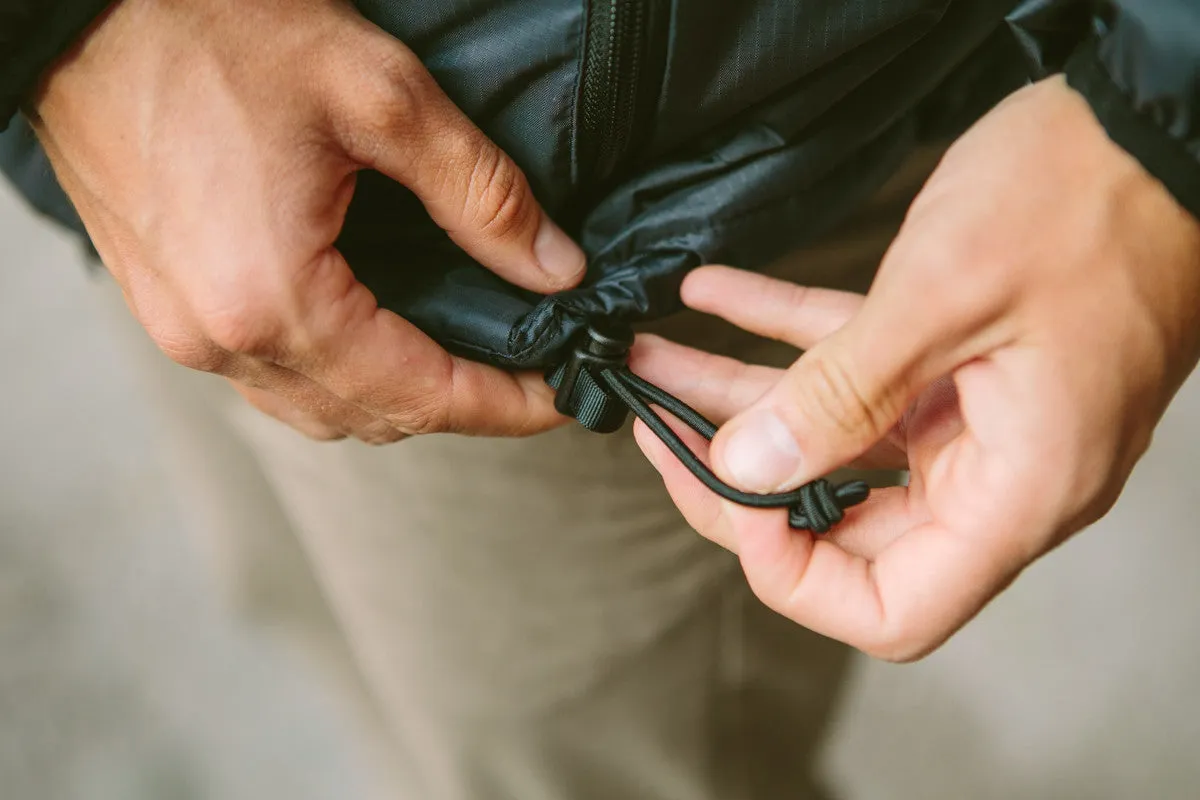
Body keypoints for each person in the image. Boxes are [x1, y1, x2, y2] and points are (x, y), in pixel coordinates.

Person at [2, 0, 1197, 797]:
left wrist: (1156, 139)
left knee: (589, 760)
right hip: (170, 171)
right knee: (295, 590)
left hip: (693, 183)